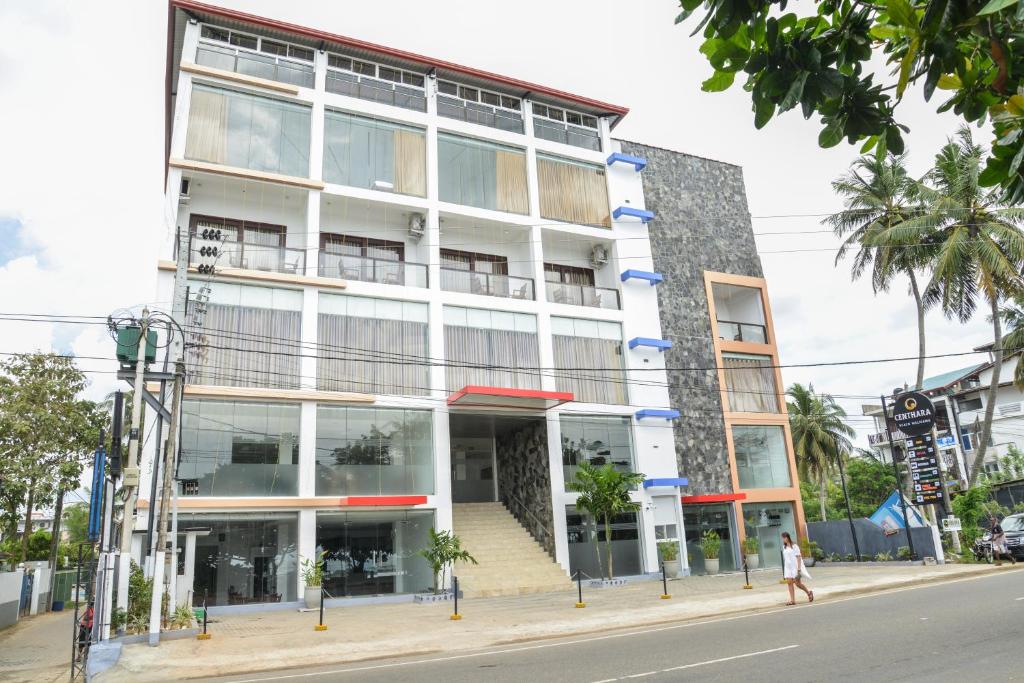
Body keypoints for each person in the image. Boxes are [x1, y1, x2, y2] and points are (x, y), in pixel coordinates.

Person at [781, 532, 813, 605]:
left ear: (788, 537)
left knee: (797, 583)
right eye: (783, 538)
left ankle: (809, 593)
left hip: (795, 567)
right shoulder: (784, 547)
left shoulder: (794, 546)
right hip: (788, 567)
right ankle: (792, 600)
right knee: (789, 583)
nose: (784, 539)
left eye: (784, 537)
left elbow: (798, 557)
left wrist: (798, 568)